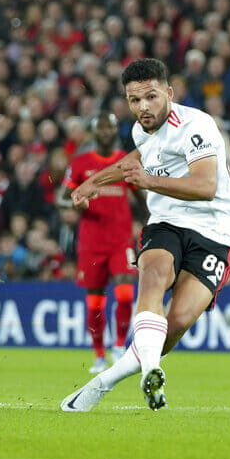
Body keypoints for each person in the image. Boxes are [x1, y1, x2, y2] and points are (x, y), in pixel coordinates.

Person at [61, 58, 230, 412]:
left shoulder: (196, 125)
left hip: (216, 231)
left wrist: (149, 181)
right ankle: (150, 372)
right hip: (166, 222)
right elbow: (136, 158)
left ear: (169, 93)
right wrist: (93, 182)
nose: (143, 107)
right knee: (153, 276)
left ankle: (106, 381)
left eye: (151, 97)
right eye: (134, 100)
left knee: (173, 325)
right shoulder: (139, 130)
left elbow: (206, 186)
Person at [57, 112, 140, 374]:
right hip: (92, 241)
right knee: (95, 301)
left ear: (116, 130)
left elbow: (143, 194)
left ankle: (118, 345)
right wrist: (77, 201)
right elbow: (61, 197)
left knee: (125, 292)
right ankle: (99, 355)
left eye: (110, 127)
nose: (105, 132)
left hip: (121, 238)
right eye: (101, 128)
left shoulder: (125, 162)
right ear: (94, 132)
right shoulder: (81, 162)